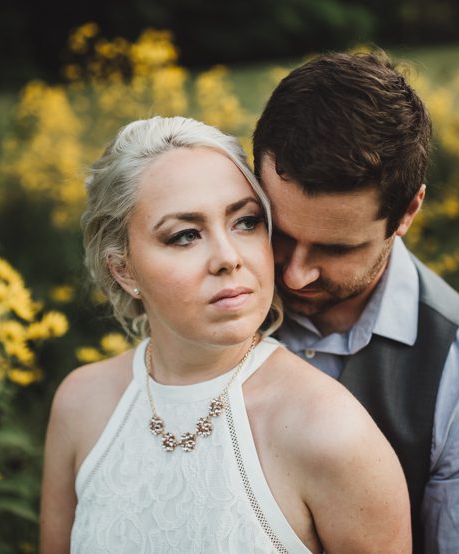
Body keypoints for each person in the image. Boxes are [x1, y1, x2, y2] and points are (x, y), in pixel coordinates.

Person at [39, 116, 411, 553]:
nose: (228, 258)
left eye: (246, 222)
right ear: (122, 269)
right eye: (185, 235)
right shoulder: (81, 403)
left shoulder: (331, 432)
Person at [252, 51, 459, 553]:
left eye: (337, 248)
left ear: (407, 211)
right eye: (277, 231)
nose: (295, 273)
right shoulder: (209, 301)